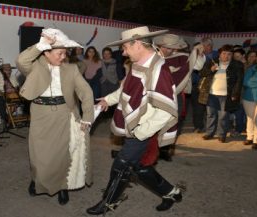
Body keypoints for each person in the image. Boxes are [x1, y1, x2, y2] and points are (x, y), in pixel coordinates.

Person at [86, 26, 183, 215]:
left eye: (125, 48)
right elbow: (126, 90)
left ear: (137, 44)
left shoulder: (157, 69)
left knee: (121, 165)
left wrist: (141, 132)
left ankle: (108, 203)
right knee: (139, 167)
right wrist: (109, 99)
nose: (123, 52)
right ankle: (172, 192)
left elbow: (166, 109)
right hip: (136, 127)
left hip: (142, 130)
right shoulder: (140, 63)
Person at [16, 28, 94, 205]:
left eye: (65, 53)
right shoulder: (35, 65)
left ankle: (62, 186)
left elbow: (86, 92)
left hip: (64, 114)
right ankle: (37, 180)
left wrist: (87, 117)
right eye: (60, 53)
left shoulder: (71, 69)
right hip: (40, 114)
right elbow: (21, 60)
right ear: (47, 52)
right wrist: (42, 44)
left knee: (61, 154)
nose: (63, 57)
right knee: (39, 153)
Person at [152, 33, 205, 161]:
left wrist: (198, 53)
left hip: (177, 95)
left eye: (169, 48)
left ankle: (166, 149)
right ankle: (153, 148)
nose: (165, 49)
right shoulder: (155, 57)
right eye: (164, 46)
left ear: (175, 48)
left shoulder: (182, 57)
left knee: (174, 121)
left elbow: (197, 65)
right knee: (156, 121)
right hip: (157, 94)